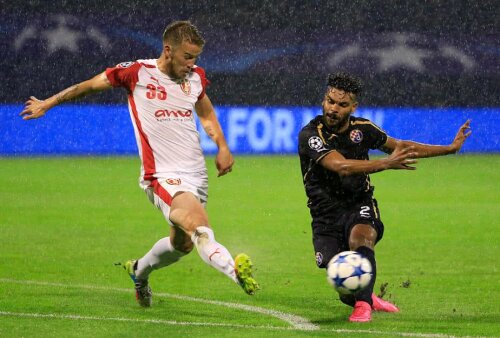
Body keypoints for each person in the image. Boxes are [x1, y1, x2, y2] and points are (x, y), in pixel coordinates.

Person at [20, 20, 260, 307]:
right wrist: (48, 103)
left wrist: (222, 146)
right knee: (200, 227)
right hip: (161, 176)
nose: (192, 63)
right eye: (187, 56)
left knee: (182, 244)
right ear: (168, 51)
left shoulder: (195, 78)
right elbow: (88, 86)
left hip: (197, 176)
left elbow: (206, 113)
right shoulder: (136, 72)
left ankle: (139, 272)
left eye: (196, 57)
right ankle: (235, 272)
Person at [298, 72, 471, 322]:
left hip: (358, 203)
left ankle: (364, 305)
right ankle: (365, 299)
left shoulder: (364, 129)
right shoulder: (311, 135)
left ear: (353, 107)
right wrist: (385, 164)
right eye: (330, 101)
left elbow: (401, 147)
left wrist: (449, 149)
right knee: (341, 278)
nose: (333, 109)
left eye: (342, 104)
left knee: (362, 240)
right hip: (324, 213)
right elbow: (341, 166)